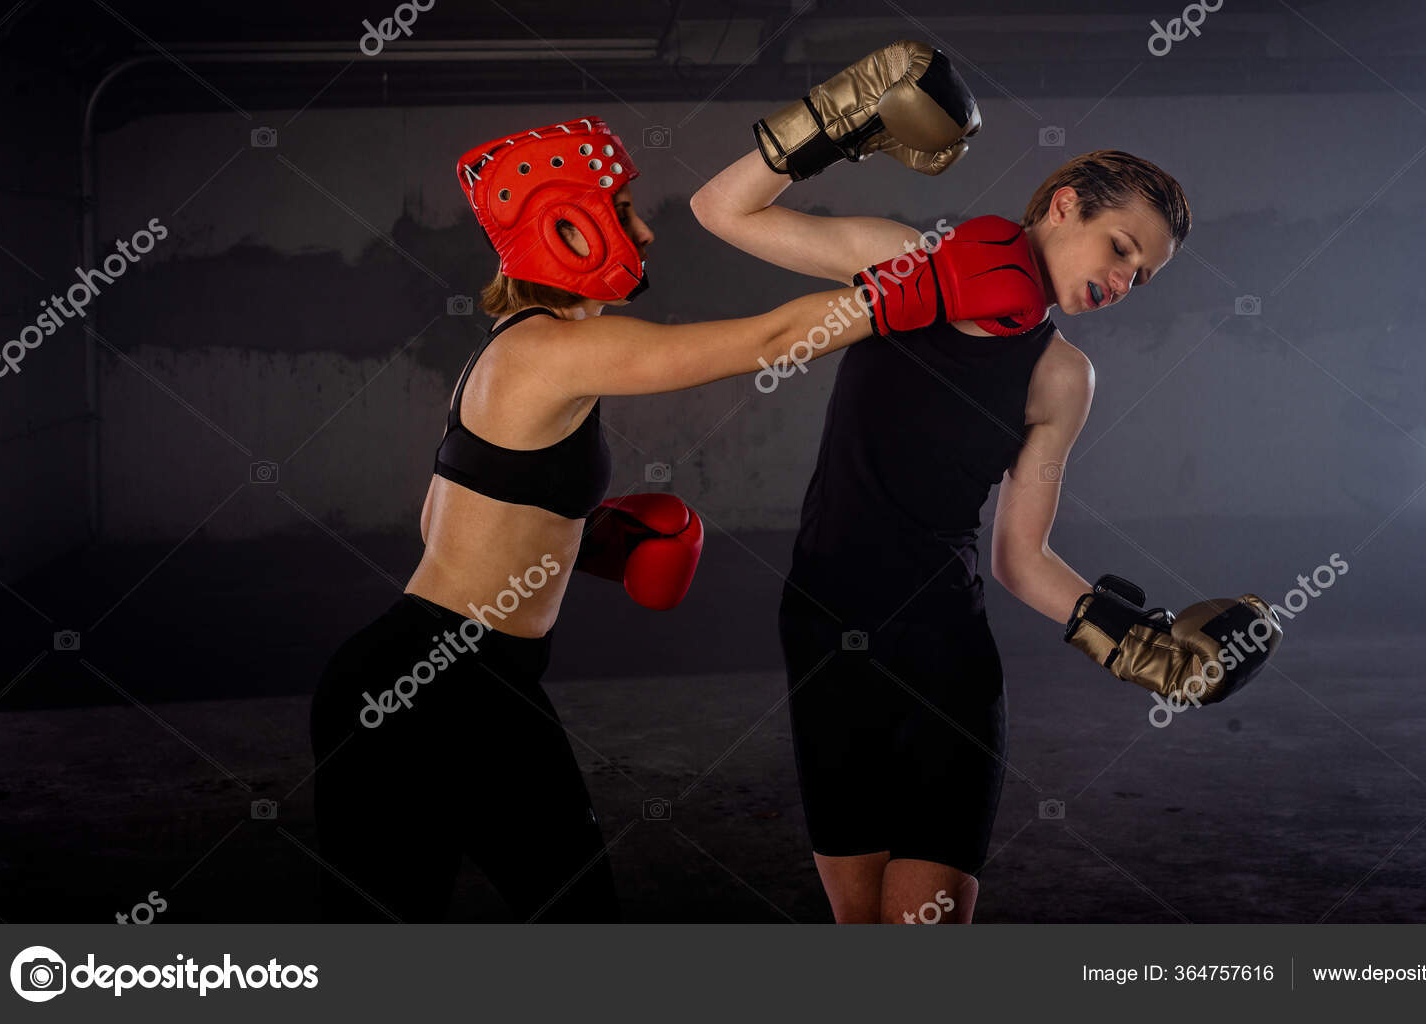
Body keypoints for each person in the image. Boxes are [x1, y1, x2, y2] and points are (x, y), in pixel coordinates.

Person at [308, 111, 1043, 923]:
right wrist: (929, 285)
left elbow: (439, 523)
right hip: (434, 683)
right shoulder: (551, 351)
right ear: (566, 226)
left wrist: (590, 538)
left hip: (462, 679)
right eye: (623, 211)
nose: (645, 232)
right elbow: (767, 340)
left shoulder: (509, 347)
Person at [693, 40, 1278, 924]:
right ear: (1064, 204)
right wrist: (833, 117)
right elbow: (721, 209)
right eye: (1121, 248)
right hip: (825, 629)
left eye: (1142, 275)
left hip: (945, 648)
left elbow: (1020, 558)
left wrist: (1134, 645)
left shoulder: (1062, 377)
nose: (1124, 280)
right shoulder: (904, 260)